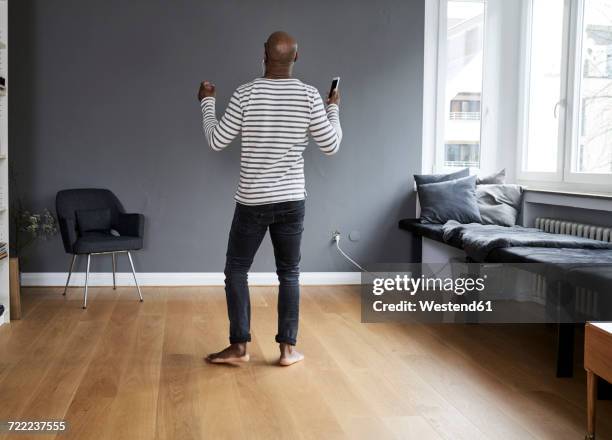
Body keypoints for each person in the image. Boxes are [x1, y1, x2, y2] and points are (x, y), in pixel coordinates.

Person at [198, 31, 342, 366]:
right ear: (297, 56)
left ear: (264, 53)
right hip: (292, 200)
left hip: (252, 201)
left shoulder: (245, 94)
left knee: (236, 269)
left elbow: (217, 141)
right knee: (289, 272)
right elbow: (332, 145)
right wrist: (332, 108)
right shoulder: (308, 97)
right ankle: (288, 351)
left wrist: (207, 102)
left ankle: (238, 348)